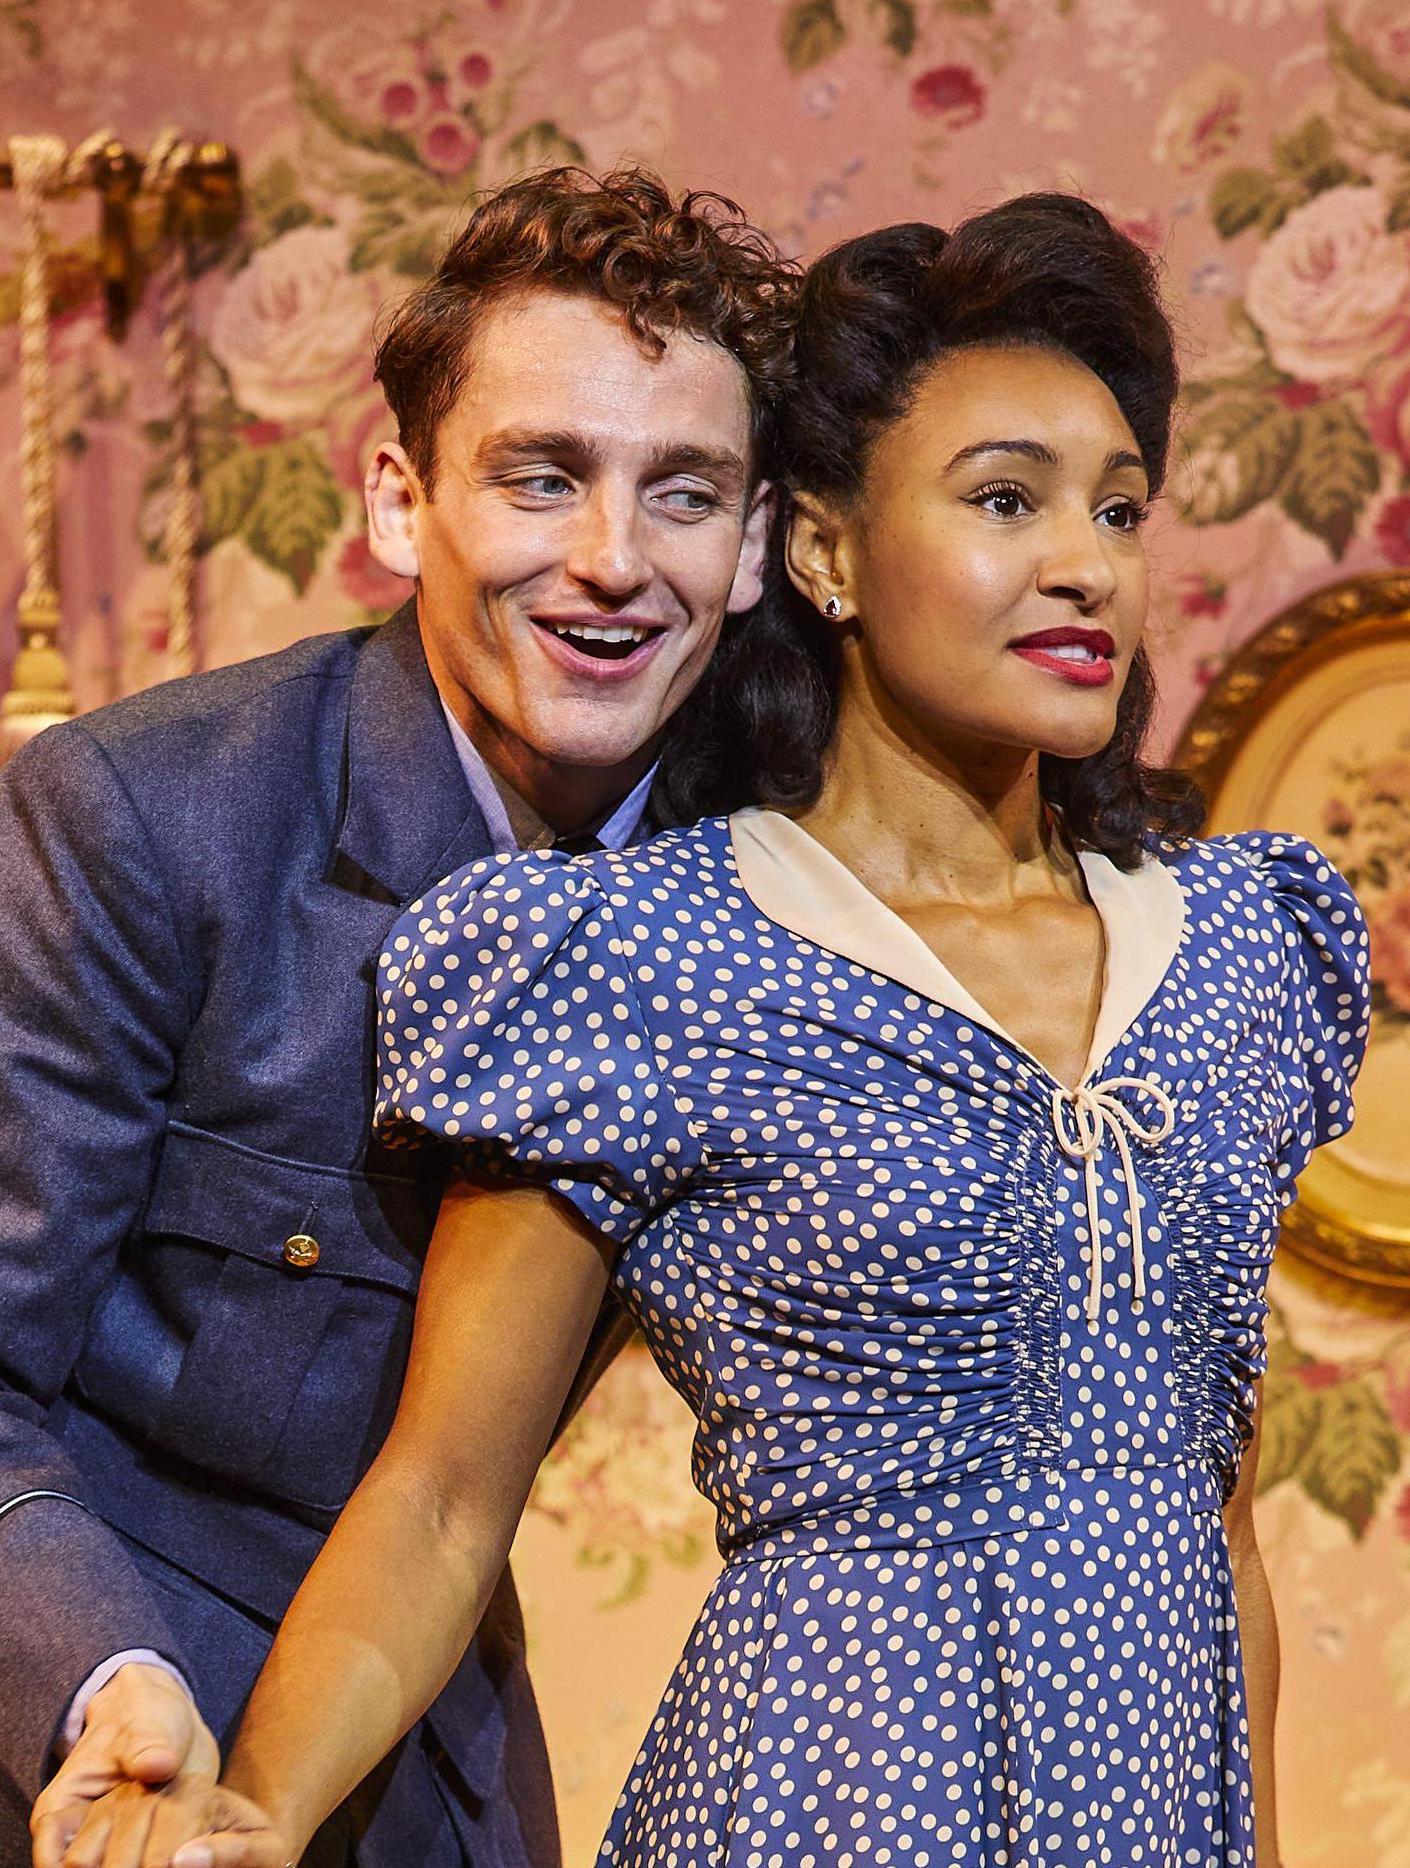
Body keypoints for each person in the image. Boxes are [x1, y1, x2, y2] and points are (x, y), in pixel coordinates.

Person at [72, 195, 1369, 1868]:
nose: (1085, 563)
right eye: (1005, 499)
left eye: (1118, 509)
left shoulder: (1240, 948)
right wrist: (254, 1813)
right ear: (817, 552)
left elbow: (1221, 1527)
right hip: (817, 1799)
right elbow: (443, 1499)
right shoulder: (643, 955)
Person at [3, 165, 793, 1868]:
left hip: (443, 1759)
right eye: (539, 476)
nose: (611, 562)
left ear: (752, 546)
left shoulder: (777, 877)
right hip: (106, 1744)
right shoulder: (143, 817)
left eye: (683, 494)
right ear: (396, 499)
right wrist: (107, 1687)